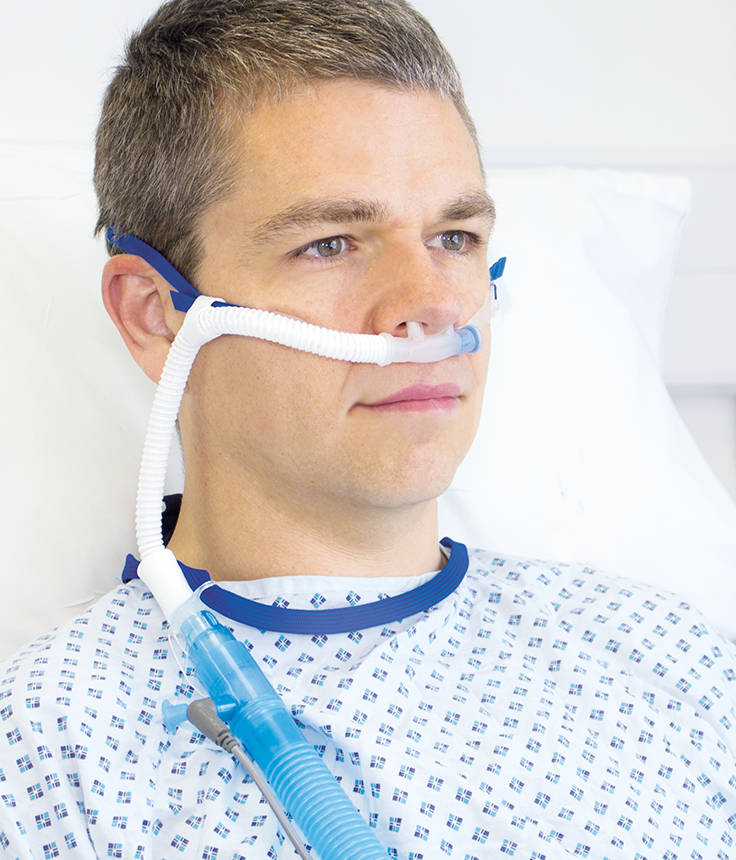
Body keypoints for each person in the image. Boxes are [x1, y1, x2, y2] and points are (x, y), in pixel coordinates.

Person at [1, 0, 735, 858]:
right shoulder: (51, 752)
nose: (433, 306)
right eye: (331, 243)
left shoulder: (670, 663)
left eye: (454, 237)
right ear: (158, 315)